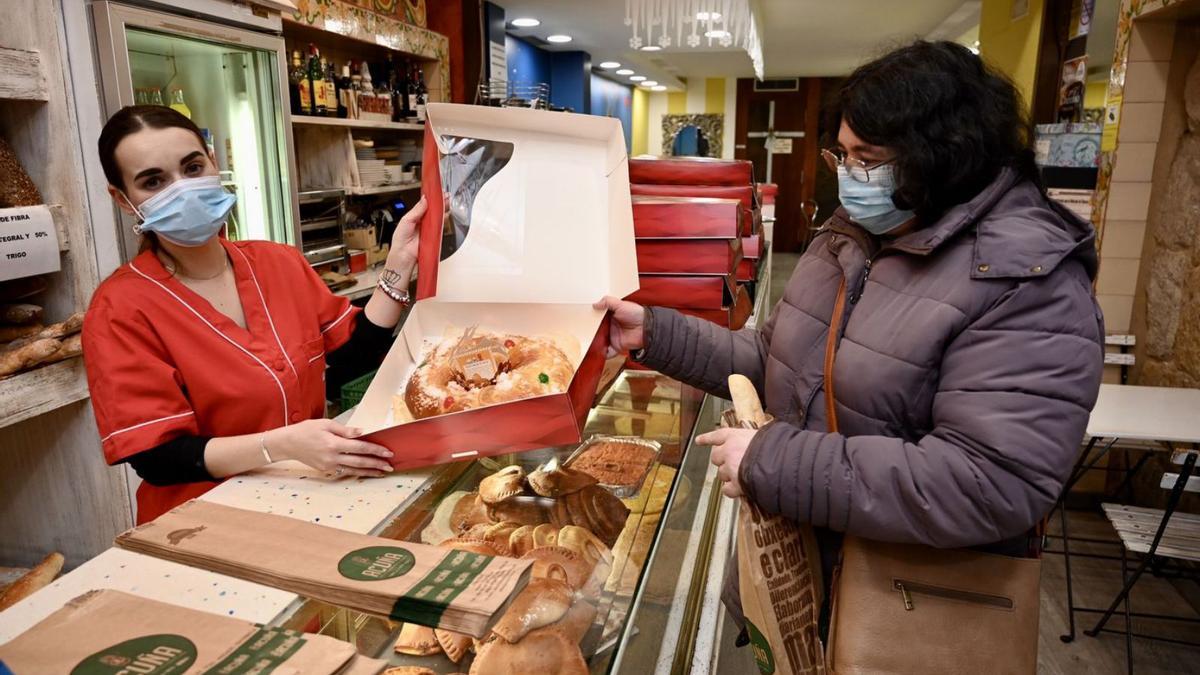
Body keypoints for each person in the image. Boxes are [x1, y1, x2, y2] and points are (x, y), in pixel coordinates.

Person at [597, 40, 1104, 631]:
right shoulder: (850, 236)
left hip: (908, 618)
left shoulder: (1024, 279)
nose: (852, 177)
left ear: (943, 155)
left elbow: (987, 483)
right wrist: (654, 333)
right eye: (843, 155)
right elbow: (778, 360)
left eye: (870, 158)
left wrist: (775, 462)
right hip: (806, 589)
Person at [83, 106, 423, 523]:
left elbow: (352, 359)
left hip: (306, 494)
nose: (183, 189)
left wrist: (400, 265)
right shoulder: (120, 308)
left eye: (192, 167)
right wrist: (278, 446)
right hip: (200, 520)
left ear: (214, 163)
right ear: (122, 199)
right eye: (153, 181)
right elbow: (157, 457)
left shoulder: (278, 263)